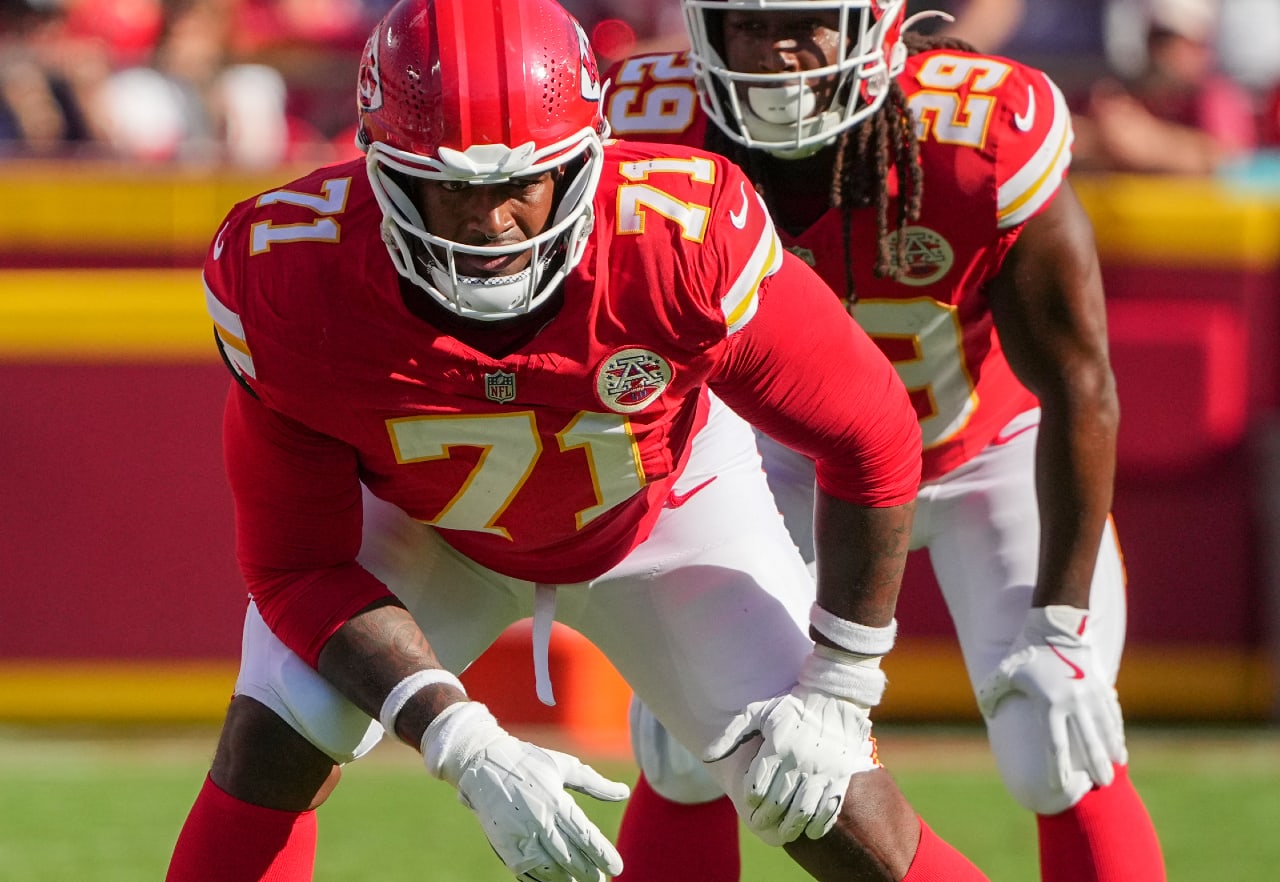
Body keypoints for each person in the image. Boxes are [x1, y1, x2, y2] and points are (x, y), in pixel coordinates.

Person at [164, 0, 997, 880]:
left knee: (831, 808)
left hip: (662, 506)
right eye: (451, 186)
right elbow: (297, 568)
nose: (490, 225)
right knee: (278, 736)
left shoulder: (680, 240)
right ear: (382, 170)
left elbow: (869, 434)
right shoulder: (294, 272)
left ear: (588, 159)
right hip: (425, 527)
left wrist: (842, 681)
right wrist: (458, 736)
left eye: (520, 185)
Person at [603, 2, 1167, 881]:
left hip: (984, 450)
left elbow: (1079, 379)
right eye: (743, 25)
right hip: (782, 463)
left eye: (806, 22)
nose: (773, 52)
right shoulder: (649, 128)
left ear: (875, 26)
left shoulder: (978, 134)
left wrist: (1060, 622)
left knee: (1053, 733)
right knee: (686, 747)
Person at [1071, 0, 1257, 175]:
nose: (1161, 50)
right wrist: (1100, 140)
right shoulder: (1116, 96)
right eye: (1158, 38)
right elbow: (1061, 145)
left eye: (1170, 37)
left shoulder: (1216, 98)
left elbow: (1233, 162)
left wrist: (1152, 143)